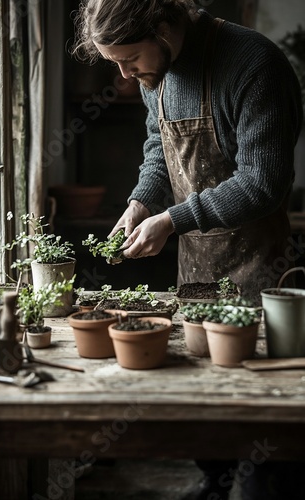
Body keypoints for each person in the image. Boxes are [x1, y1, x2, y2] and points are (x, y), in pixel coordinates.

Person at [72, 1, 303, 499]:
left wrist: (172, 219)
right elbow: (160, 148)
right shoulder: (161, 72)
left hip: (260, 268)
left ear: (161, 28)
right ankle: (214, 484)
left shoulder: (253, 64)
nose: (125, 75)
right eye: (115, 63)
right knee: (205, 405)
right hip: (197, 266)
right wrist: (141, 201)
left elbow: (264, 182)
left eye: (129, 58)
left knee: (261, 416)